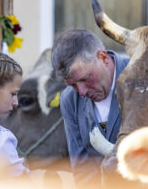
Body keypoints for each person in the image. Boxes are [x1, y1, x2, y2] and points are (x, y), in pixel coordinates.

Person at [51, 29, 129, 188]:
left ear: (103, 58)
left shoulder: (142, 78)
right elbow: (82, 169)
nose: (81, 92)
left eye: (86, 79)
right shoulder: (69, 99)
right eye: (72, 84)